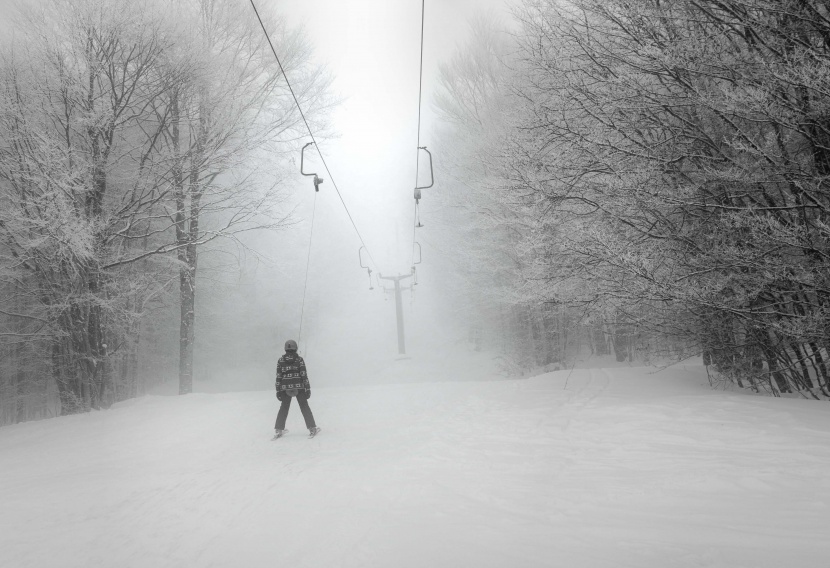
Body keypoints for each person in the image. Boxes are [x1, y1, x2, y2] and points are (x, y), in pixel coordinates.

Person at [273, 339, 320, 439]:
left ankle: (279, 429)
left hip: (285, 388)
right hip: (300, 387)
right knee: (304, 407)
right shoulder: (299, 360)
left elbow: (278, 376)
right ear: (296, 348)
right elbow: (303, 375)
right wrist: (307, 388)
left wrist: (278, 390)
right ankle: (312, 428)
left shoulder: (280, 361)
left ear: (285, 349)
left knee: (284, 408)